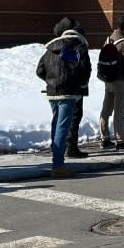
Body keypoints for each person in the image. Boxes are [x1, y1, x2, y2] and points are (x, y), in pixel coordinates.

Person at [36, 18, 91, 177]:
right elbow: (85, 71)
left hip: (52, 92)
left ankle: (56, 160)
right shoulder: (79, 47)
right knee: (62, 127)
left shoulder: (50, 48)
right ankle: (58, 165)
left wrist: (51, 81)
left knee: (56, 125)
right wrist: (80, 85)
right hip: (69, 92)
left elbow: (39, 70)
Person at [99, 15, 124, 150]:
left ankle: (104, 138)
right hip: (120, 81)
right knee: (119, 111)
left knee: (106, 110)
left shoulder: (109, 39)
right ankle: (120, 140)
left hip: (108, 80)